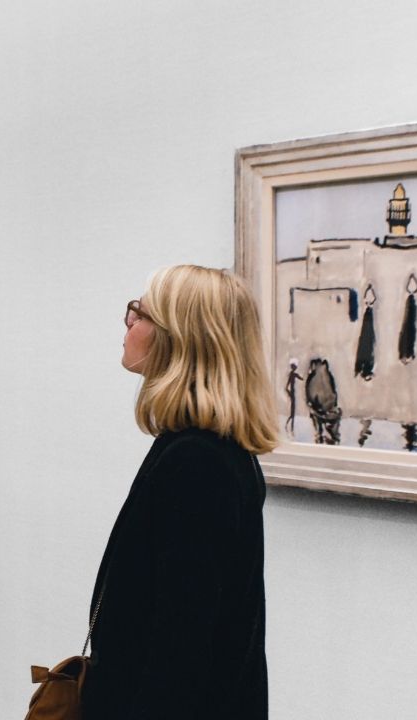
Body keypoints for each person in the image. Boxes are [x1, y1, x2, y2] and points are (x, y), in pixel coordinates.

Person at [81, 265, 277, 720]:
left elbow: (180, 649)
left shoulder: (198, 463)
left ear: (180, 341)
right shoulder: (203, 449)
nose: (129, 322)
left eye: (141, 313)